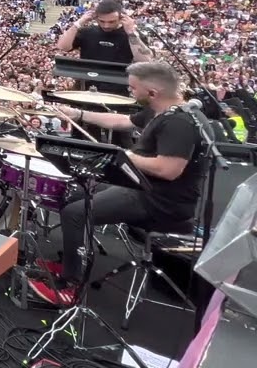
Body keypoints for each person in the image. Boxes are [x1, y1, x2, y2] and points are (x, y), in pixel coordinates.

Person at [32, 61, 204, 306]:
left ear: (152, 93)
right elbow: (122, 121)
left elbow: (169, 170)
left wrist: (126, 156)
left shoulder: (179, 123)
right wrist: (79, 114)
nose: (130, 93)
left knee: (74, 213)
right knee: (73, 193)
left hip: (160, 199)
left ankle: (70, 286)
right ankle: (72, 259)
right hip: (142, 186)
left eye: (133, 89)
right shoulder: (160, 110)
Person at [55, 0, 154, 95]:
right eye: (102, 21)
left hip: (118, 89)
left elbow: (146, 61)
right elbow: (62, 46)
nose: (106, 25)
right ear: (96, 17)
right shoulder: (88, 32)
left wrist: (131, 33)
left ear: (121, 18)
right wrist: (78, 23)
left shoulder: (133, 35)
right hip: (86, 88)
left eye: (112, 22)